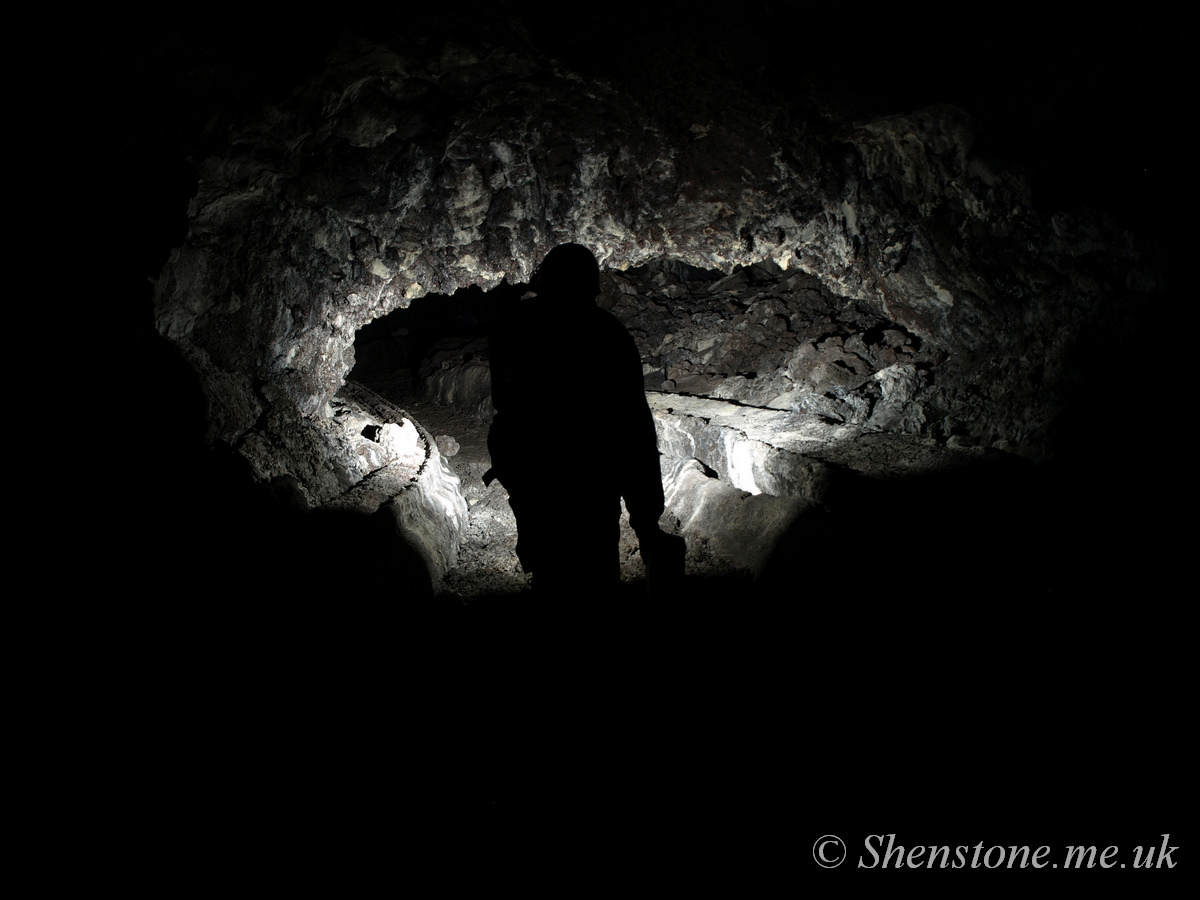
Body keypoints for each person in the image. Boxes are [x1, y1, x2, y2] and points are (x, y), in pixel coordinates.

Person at [486, 243, 683, 597]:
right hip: (593, 480)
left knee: (550, 573)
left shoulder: (514, 325)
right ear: (592, 286)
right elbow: (634, 430)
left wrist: (514, 472)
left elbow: (505, 408)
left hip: (536, 474)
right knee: (596, 579)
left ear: (543, 281)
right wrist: (646, 518)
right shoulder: (610, 334)